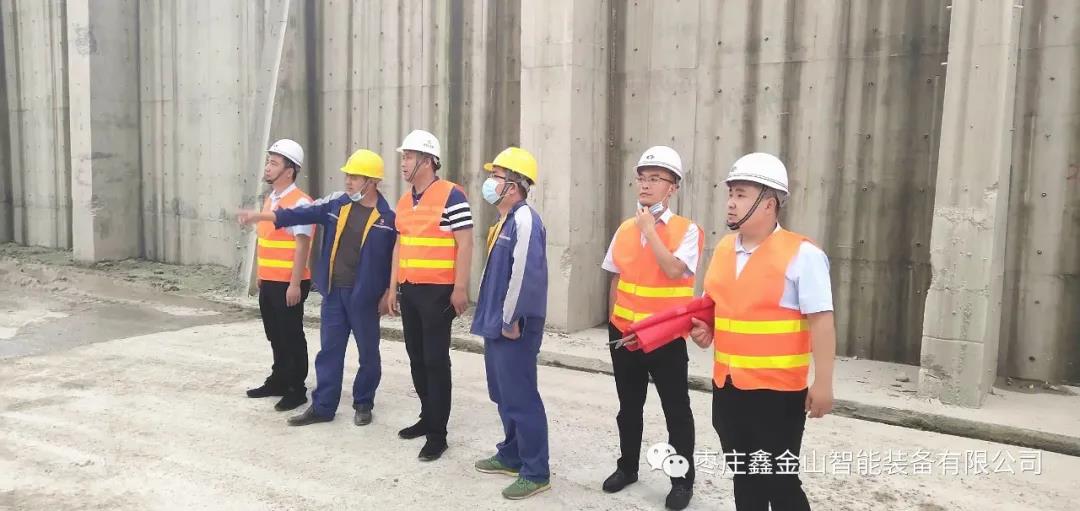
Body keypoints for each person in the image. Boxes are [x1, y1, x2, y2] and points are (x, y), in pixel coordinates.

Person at [688, 152, 836, 511]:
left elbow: (822, 320)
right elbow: (723, 307)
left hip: (777, 393)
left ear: (769, 204)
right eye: (730, 194)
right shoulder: (724, 249)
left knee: (780, 482)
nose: (731, 203)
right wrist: (708, 331)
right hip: (727, 387)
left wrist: (823, 383)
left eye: (741, 194)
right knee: (744, 475)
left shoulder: (802, 255)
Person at [238, 149, 397, 427]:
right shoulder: (337, 204)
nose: (348, 181)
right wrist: (262, 217)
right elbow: (302, 213)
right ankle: (323, 407)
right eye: (348, 176)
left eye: (355, 177)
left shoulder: (387, 218)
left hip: (365, 297)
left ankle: (363, 402)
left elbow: (394, 259)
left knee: (368, 354)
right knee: (329, 352)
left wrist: (389, 293)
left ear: (372, 182)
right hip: (334, 293)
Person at [601, 146, 701, 510]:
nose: (645, 184)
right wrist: (614, 324)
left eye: (655, 179)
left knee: (676, 411)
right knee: (629, 407)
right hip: (625, 335)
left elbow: (674, 270)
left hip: (665, 338)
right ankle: (627, 468)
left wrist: (650, 229)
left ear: (673, 187)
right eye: (642, 178)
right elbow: (615, 276)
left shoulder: (688, 230)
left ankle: (681, 482)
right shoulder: (625, 229)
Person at [383, 129, 474, 461]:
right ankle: (427, 416)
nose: (403, 163)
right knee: (416, 358)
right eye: (403, 157)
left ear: (427, 160)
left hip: (438, 293)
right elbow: (399, 245)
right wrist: (393, 287)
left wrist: (460, 287)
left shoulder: (452, 195)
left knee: (435, 361)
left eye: (408, 156)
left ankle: (438, 434)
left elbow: (466, 242)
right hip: (410, 291)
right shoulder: (404, 201)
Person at [470, 147, 551, 500]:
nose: (490, 182)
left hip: (513, 325)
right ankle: (512, 454)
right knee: (502, 393)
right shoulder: (505, 220)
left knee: (521, 396)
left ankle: (536, 471)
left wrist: (511, 318)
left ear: (514, 185)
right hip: (497, 322)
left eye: (497, 176)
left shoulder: (525, 219)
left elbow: (525, 275)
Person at [245, 139, 315, 412]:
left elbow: (302, 246)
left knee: (291, 335)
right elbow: (266, 240)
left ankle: (296, 389)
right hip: (270, 281)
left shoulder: (300, 203)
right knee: (275, 334)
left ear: (289, 170)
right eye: (268, 162)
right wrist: (261, 274)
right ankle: (278, 380)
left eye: (274, 163)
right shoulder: (271, 199)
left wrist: (295, 284)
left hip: (289, 283)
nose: (268, 167)